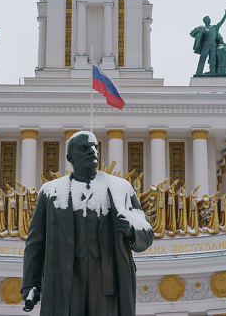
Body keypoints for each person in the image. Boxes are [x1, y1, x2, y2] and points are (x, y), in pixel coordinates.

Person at [21, 131, 153, 316]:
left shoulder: (121, 187)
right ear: (69, 157)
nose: (92, 151)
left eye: (95, 147)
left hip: (108, 285)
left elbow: (146, 233)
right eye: (84, 148)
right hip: (66, 283)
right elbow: (35, 242)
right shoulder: (50, 192)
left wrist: (132, 229)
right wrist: (30, 284)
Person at [190, 8, 226, 75]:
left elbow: (221, 22)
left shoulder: (214, 28)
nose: (210, 20)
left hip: (213, 46)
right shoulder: (202, 28)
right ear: (205, 21)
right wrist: (199, 33)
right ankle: (199, 72)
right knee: (202, 59)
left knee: (213, 60)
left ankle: (212, 72)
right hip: (205, 46)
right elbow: (192, 34)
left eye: (209, 19)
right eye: (208, 19)